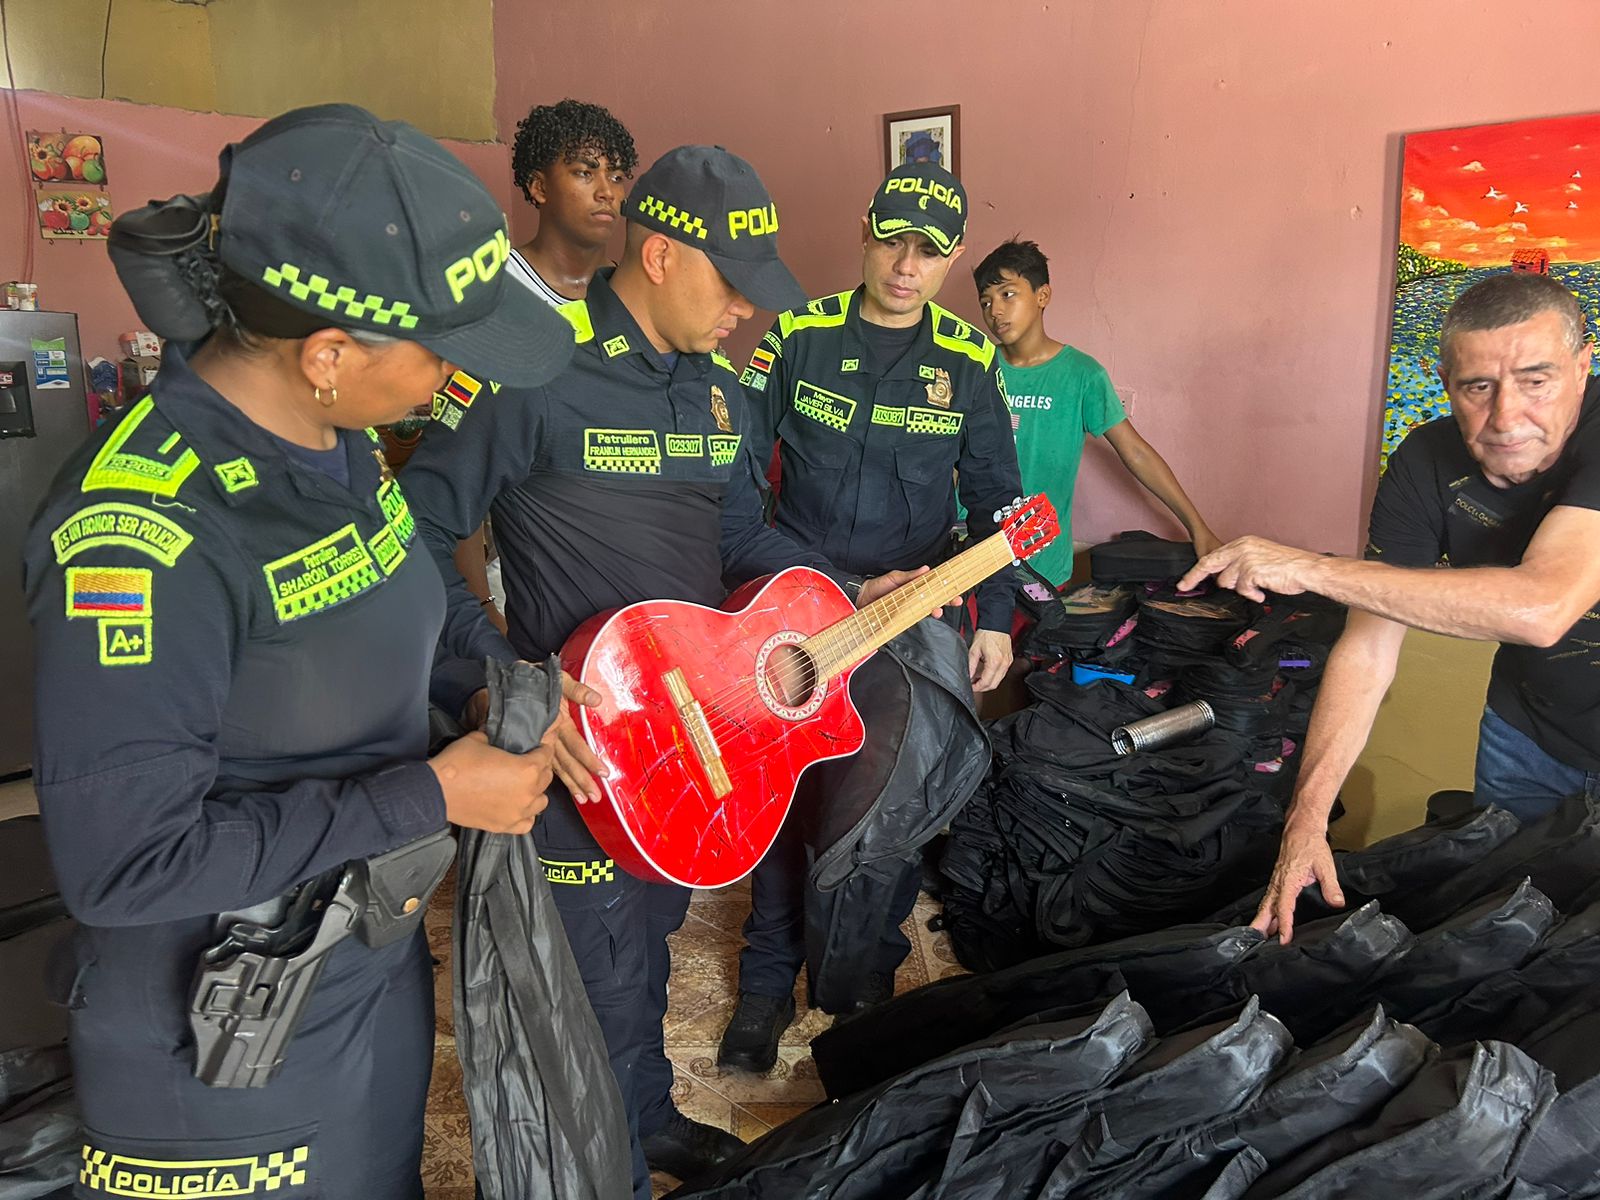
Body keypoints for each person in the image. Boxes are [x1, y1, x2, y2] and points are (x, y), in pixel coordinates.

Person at [23, 104, 573, 1200]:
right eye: (445, 354)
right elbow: (124, 866)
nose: (459, 384)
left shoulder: (333, 435)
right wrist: (427, 796)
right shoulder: (145, 539)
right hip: (219, 1032)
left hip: (352, 957)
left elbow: (405, 588)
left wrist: (491, 685)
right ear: (328, 350)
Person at [402, 145, 934, 1195]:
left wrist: (838, 591)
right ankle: (591, 1155)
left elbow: (743, 538)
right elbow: (406, 535)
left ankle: (643, 1120)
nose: (746, 311)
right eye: (732, 285)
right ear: (658, 256)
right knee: (588, 980)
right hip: (578, 750)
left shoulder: (715, 393)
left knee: (647, 944)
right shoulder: (529, 373)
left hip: (689, 743)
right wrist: (498, 679)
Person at [1180, 272, 1600, 944]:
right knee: (1515, 929)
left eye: (1537, 379)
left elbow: (1542, 606)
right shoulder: (1426, 465)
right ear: (1445, 381)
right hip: (1528, 732)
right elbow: (1369, 646)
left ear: (1584, 367)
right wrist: (1307, 820)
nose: (1506, 417)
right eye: (1478, 387)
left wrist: (1315, 569)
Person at [718, 162, 1022, 1074]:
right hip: (792, 602)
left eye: (929, 251)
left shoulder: (968, 364)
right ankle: (768, 983)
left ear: (953, 258)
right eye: (892, 239)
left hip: (908, 613)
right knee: (785, 794)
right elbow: (735, 467)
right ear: (864, 229)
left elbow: (1000, 506)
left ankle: (858, 987)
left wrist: (994, 617)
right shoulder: (798, 337)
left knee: (886, 804)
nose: (905, 264)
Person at [455, 98, 639, 628]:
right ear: (538, 188)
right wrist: (485, 612)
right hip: (526, 583)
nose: (607, 191)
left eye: (617, 175)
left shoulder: (624, 298)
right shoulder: (496, 298)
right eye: (585, 173)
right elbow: (463, 482)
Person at [974, 238, 1220, 585]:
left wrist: (1198, 528)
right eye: (986, 301)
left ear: (1042, 295)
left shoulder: (1081, 374)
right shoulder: (975, 365)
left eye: (1007, 294)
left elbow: (1135, 452)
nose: (995, 311)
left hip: (1040, 563)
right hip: (969, 557)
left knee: (1026, 639)